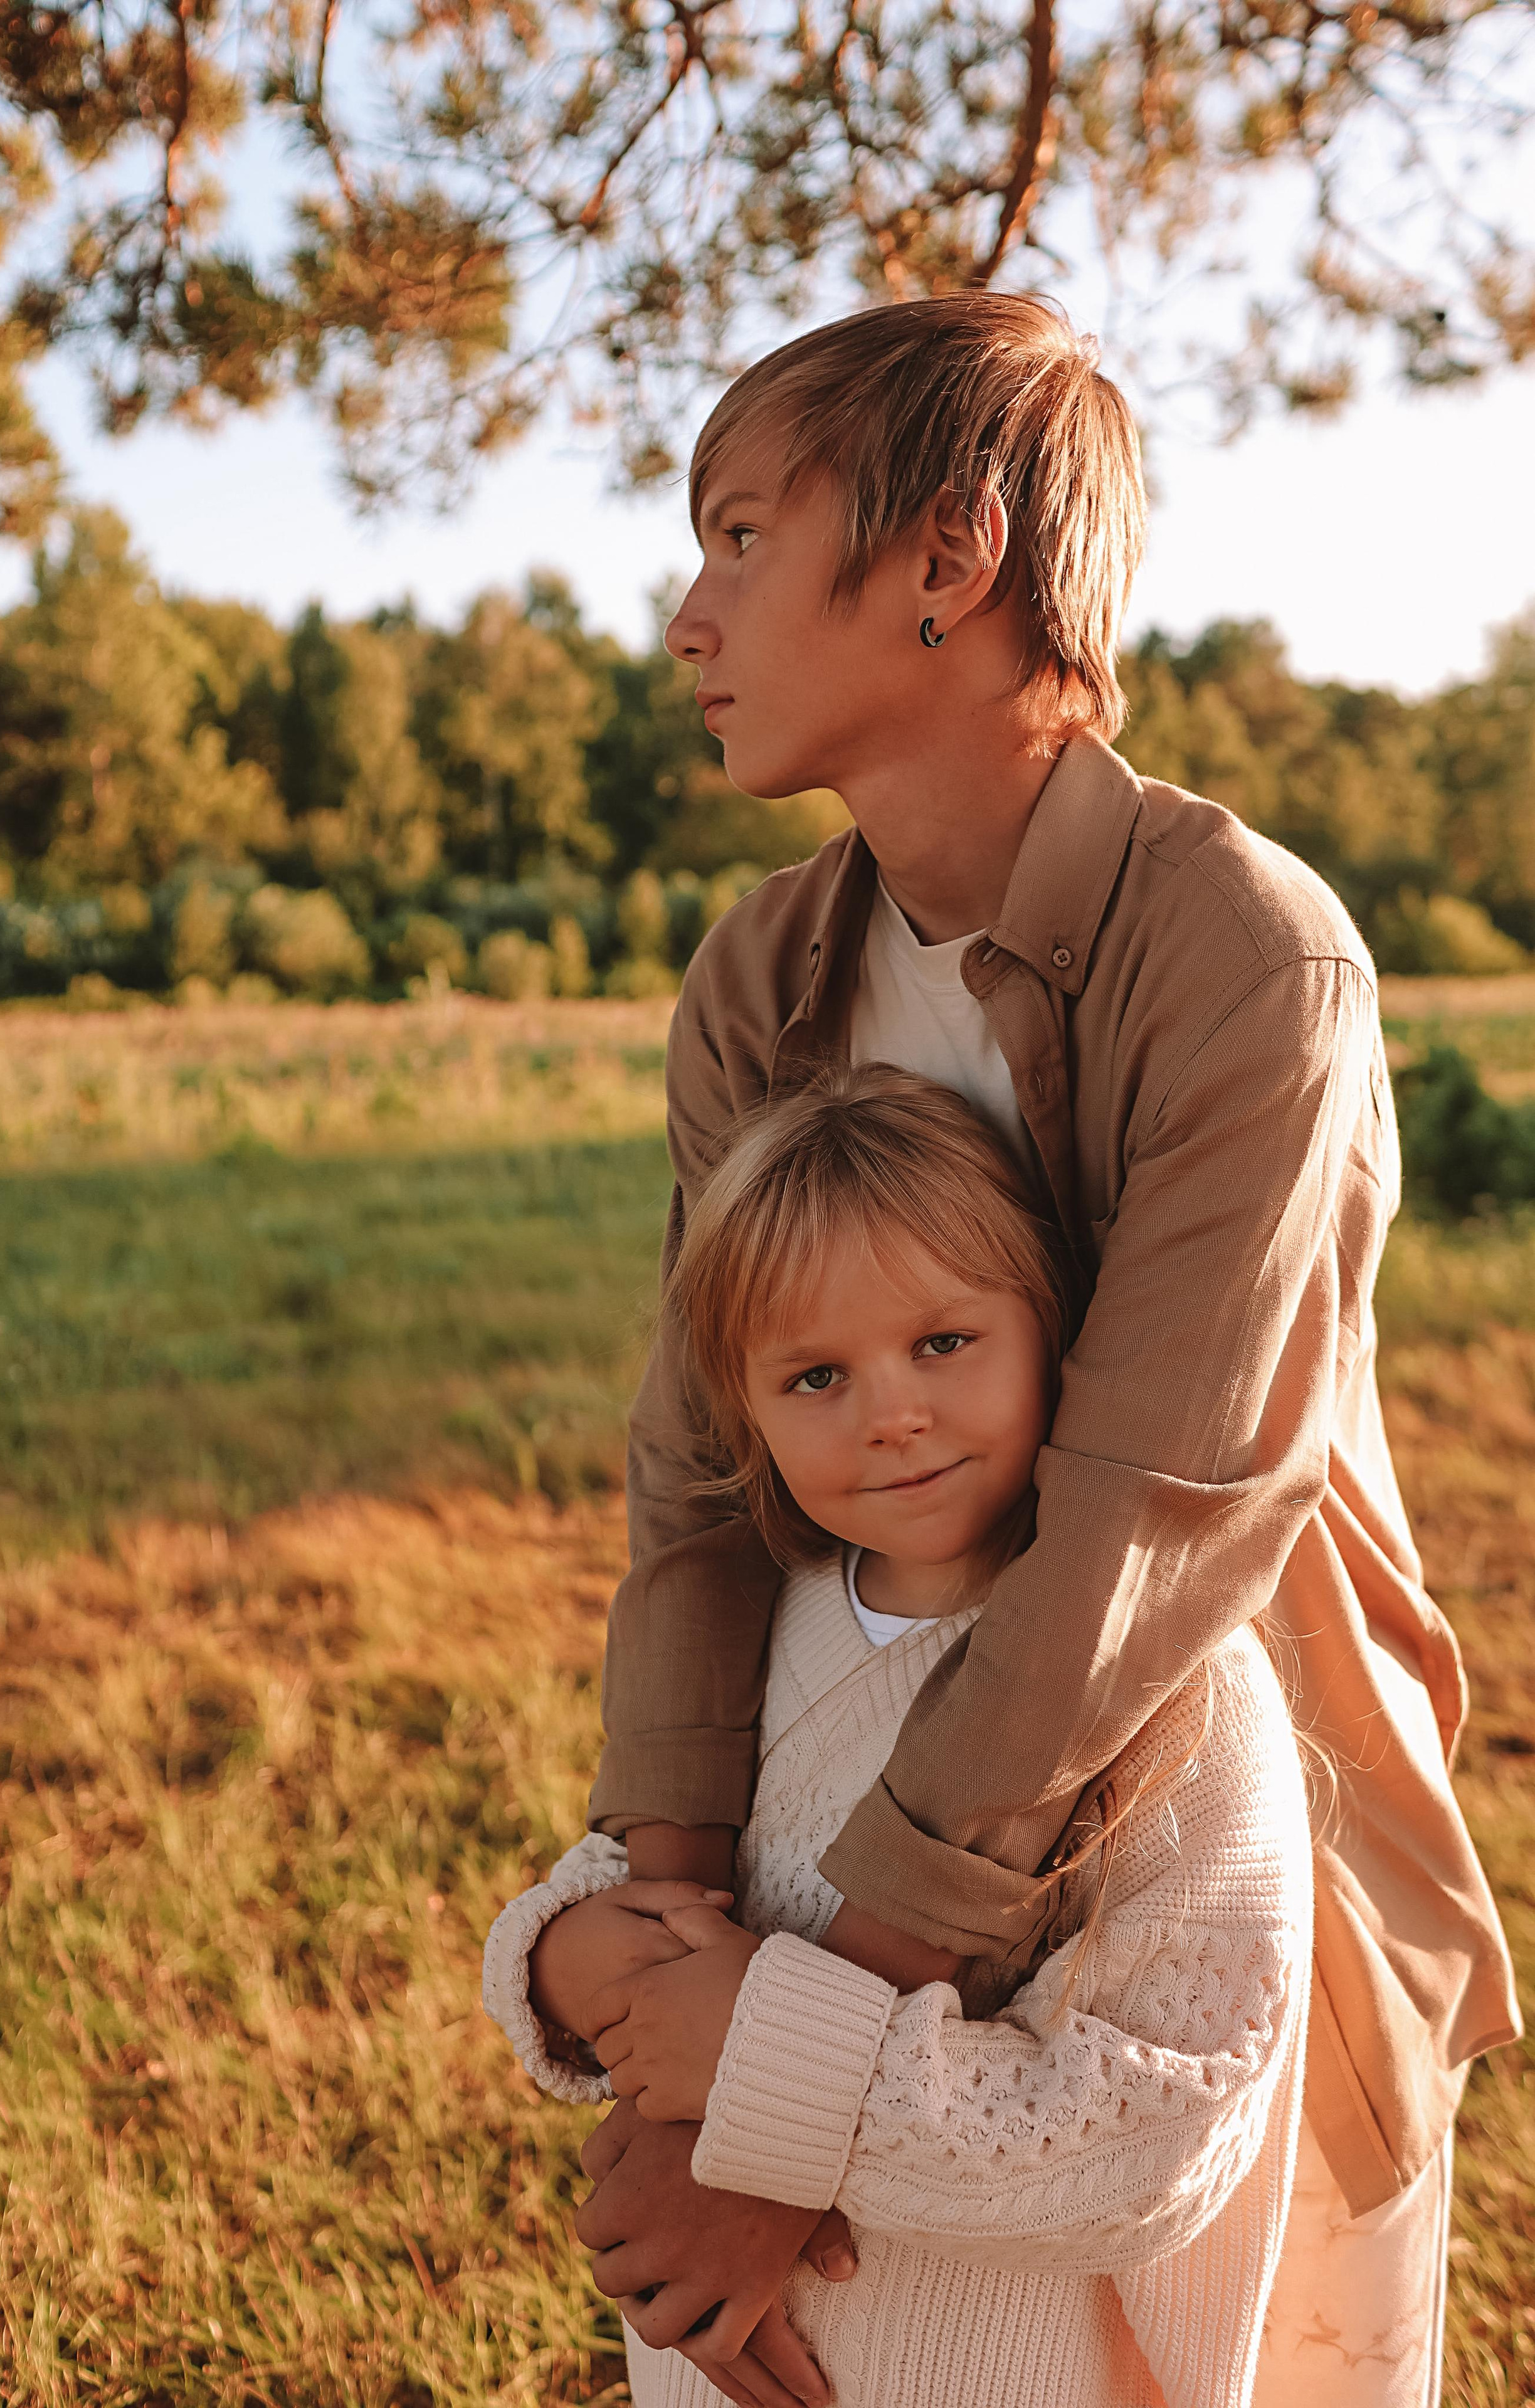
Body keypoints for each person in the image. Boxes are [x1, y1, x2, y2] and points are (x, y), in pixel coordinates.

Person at [563, 291, 1516, 2407]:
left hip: (1194, 1808)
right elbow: (704, 1480)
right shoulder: (759, 977)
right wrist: (674, 1949)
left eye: (735, 534)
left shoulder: (1243, 950)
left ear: (946, 559)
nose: (687, 614)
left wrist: (779, 2101)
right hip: (844, 1778)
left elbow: (1149, 1541)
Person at [484, 1066, 1316, 2408]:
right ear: (738, 1408)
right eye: (814, 1375)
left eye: (941, 1343)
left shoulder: (1178, 1695)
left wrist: (777, 2083)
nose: (891, 1414)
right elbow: (658, 1895)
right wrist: (567, 1958)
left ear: (1050, 1326)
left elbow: (1160, 2133)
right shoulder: (765, 1631)